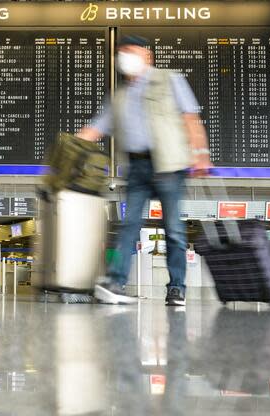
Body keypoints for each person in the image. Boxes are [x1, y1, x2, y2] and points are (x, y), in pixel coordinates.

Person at [78, 35, 212, 306]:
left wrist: (201, 155)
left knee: (173, 229)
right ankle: (116, 283)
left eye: (129, 50)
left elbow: (190, 118)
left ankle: (176, 288)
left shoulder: (170, 79)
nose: (123, 56)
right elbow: (95, 129)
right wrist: (68, 148)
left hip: (169, 165)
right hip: (136, 167)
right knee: (129, 226)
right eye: (120, 52)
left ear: (146, 55)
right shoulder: (119, 96)